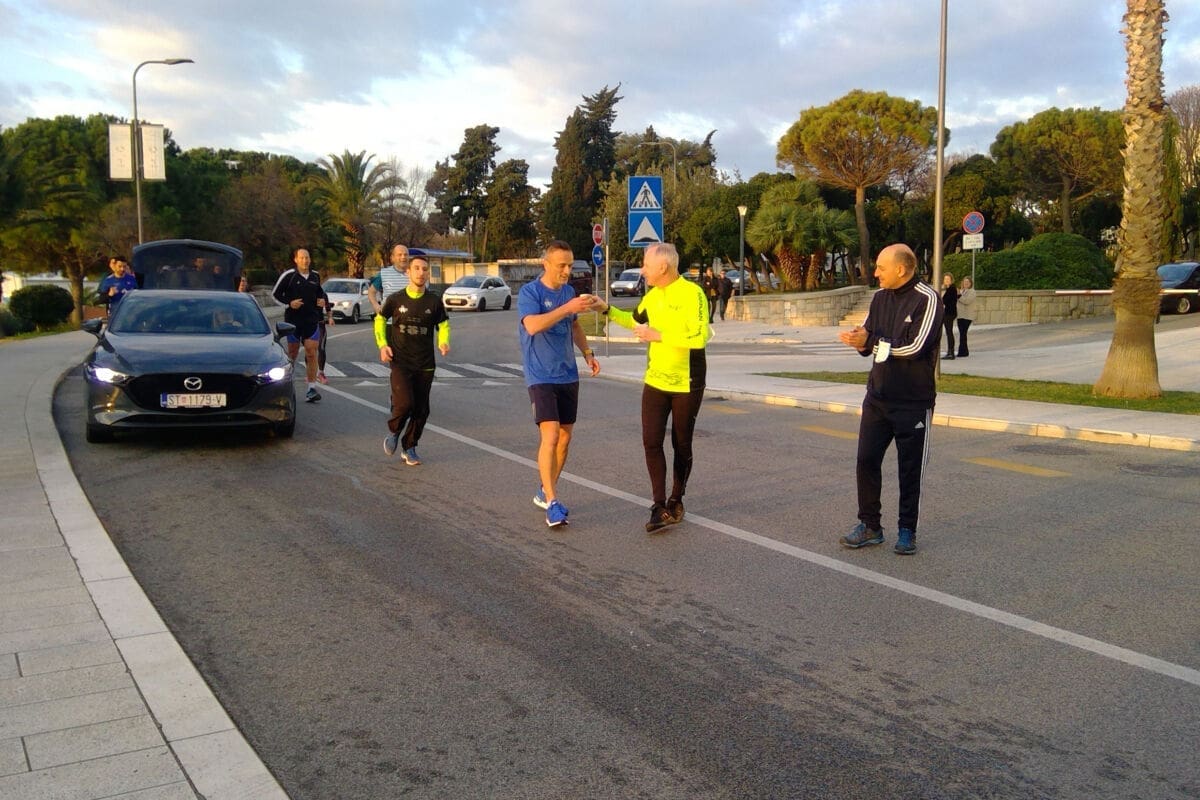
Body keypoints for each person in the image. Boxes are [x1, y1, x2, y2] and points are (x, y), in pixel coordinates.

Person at [595, 243, 711, 533]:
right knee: (651, 441)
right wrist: (607, 309)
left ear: (663, 267)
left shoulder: (693, 293)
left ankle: (676, 498)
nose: (642, 270)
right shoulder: (652, 295)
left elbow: (699, 338)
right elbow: (634, 322)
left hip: (687, 382)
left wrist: (658, 335)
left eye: (646, 265)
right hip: (656, 380)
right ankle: (659, 506)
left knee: (681, 444)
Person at [837, 243, 943, 555]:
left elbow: (915, 347)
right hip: (878, 397)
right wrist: (859, 341)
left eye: (881, 268)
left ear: (901, 269)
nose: (875, 273)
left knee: (910, 469)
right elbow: (871, 336)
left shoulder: (928, 299)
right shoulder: (880, 298)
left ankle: (907, 530)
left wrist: (871, 341)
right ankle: (870, 525)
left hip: (913, 402)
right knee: (866, 460)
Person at [518, 240, 603, 528]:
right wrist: (566, 308)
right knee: (551, 434)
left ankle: (545, 489)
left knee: (565, 438)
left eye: (570, 265)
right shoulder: (531, 292)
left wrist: (587, 353)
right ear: (546, 264)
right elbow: (532, 326)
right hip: (540, 375)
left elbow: (574, 325)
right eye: (561, 265)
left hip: (567, 373)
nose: (567, 271)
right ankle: (553, 503)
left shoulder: (568, 292)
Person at [376, 255, 450, 466]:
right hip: (401, 361)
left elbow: (443, 324)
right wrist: (383, 345)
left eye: (425, 269)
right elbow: (380, 320)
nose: (421, 272)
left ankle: (409, 447)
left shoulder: (434, 301)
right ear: (408, 272)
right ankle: (394, 432)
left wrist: (443, 341)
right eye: (416, 268)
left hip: (425, 363)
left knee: (422, 410)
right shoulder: (396, 299)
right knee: (405, 403)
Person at [272, 248, 328, 403]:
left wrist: (322, 302)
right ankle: (286, 387)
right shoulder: (289, 275)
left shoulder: (315, 276)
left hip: (311, 320)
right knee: (292, 354)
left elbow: (320, 294)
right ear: (296, 260)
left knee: (311, 352)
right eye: (302, 258)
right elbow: (275, 295)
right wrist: (289, 303)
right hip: (293, 322)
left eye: (307, 257)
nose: (305, 260)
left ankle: (311, 388)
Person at [368, 244, 411, 316]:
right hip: (388, 319)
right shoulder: (384, 273)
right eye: (399, 255)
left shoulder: (415, 274)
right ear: (393, 258)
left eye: (405, 254)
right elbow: (371, 292)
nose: (403, 257)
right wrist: (376, 306)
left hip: (408, 319)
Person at [956, 276, 976, 357]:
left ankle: (962, 352)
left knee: (963, 334)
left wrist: (959, 295)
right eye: (965, 282)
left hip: (967, 316)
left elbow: (966, 301)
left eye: (968, 282)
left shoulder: (972, 292)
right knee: (962, 334)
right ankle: (964, 351)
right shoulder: (961, 291)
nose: (966, 283)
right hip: (960, 316)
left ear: (971, 283)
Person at [940, 272, 958, 360]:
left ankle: (951, 352)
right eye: (945, 279)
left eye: (948, 279)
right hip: (948, 313)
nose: (946, 281)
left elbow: (945, 300)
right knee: (949, 332)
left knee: (949, 333)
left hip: (949, 313)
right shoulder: (947, 289)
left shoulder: (952, 289)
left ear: (951, 280)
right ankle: (950, 352)